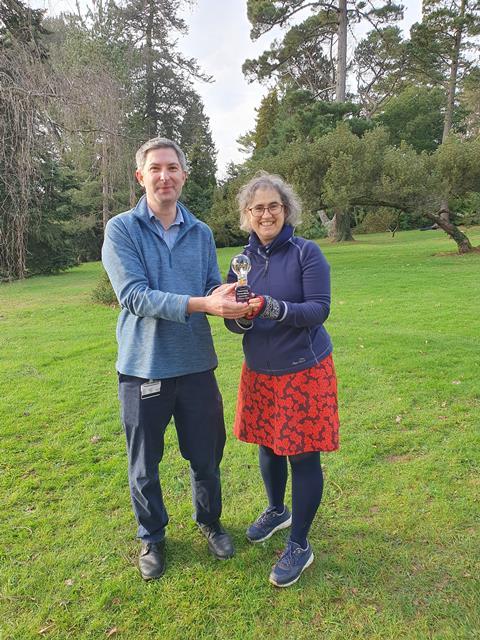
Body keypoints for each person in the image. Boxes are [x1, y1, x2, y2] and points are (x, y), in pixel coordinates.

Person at [102, 137, 248, 581]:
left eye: (172, 168)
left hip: (197, 364)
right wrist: (205, 304)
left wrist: (233, 302)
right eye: (155, 169)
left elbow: (209, 286)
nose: (164, 176)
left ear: (184, 175)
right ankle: (152, 535)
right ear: (140, 176)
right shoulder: (121, 229)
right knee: (144, 464)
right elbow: (134, 295)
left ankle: (210, 521)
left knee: (206, 456)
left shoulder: (200, 232)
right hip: (143, 367)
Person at [225, 172, 340, 588]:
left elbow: (318, 310)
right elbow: (235, 327)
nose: (266, 214)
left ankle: (299, 543)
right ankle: (277, 510)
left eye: (274, 206)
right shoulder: (241, 263)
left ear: (286, 210)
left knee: (302, 456)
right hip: (260, 372)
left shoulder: (307, 253)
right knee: (268, 446)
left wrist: (273, 307)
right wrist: (237, 319)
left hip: (303, 372)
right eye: (257, 208)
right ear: (247, 216)